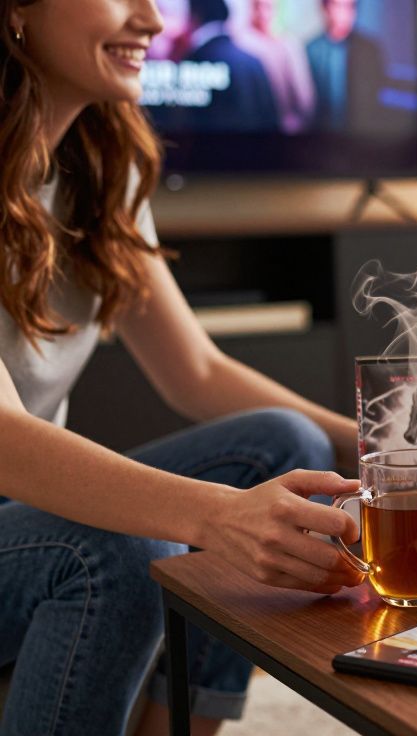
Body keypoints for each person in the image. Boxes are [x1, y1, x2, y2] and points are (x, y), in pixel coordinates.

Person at [0, 0, 365, 734]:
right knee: (121, 546)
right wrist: (218, 515)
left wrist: (378, 448)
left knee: (289, 441)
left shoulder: (99, 170)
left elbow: (194, 370)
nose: (152, 18)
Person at [183, 0, 279, 132]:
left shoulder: (194, 59)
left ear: (195, 14)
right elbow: (273, 119)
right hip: (261, 149)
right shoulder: (253, 60)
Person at [235, 0, 316, 134]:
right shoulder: (240, 44)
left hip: (285, 133)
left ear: (277, 9)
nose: (262, 13)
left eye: (268, 7)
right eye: (257, 6)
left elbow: (306, 101)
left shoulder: (289, 46)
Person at [306, 0, 384, 131]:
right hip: (320, 137)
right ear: (325, 9)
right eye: (339, 6)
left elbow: (374, 99)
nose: (345, 14)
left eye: (350, 7)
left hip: (361, 136)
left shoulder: (370, 50)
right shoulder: (310, 50)